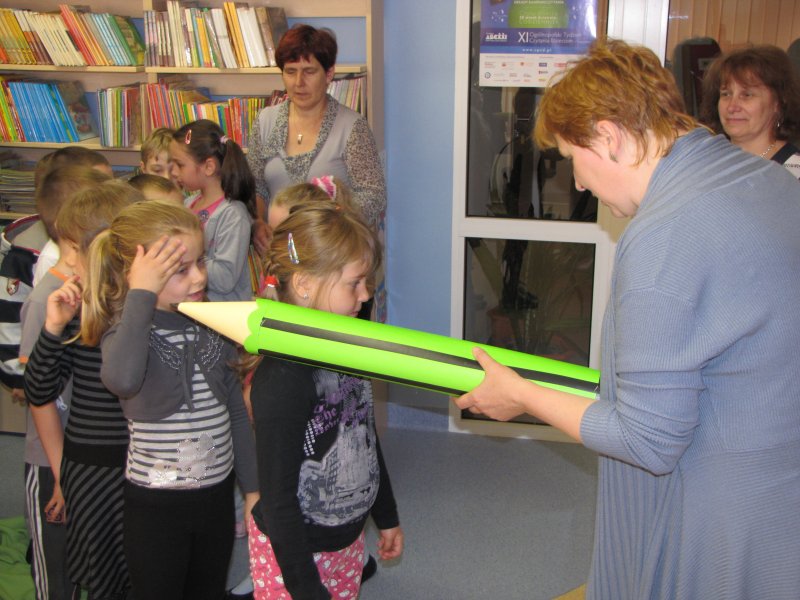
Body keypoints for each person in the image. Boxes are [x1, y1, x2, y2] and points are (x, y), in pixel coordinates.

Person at [455, 39, 800, 600]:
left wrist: (521, 396)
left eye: (573, 158)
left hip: (724, 515)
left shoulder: (664, 233)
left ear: (608, 137)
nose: (579, 183)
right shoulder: (763, 177)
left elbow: (648, 439)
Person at [78, 200, 258, 600]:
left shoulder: (212, 325)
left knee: (207, 590)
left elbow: (235, 413)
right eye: (180, 270)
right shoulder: (127, 332)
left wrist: (253, 488)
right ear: (139, 275)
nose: (199, 276)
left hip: (215, 498)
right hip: (155, 507)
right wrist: (141, 294)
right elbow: (122, 380)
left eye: (200, 261)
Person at [248, 202, 403, 599]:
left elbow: (364, 438)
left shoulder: (346, 351)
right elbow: (278, 500)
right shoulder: (282, 378)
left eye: (367, 281)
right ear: (304, 285)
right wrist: (305, 589)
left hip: (346, 543)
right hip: (294, 558)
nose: (365, 295)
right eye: (354, 283)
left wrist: (386, 515)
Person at [23, 179, 143, 600]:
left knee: (142, 572)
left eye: (74, 250)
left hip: (143, 471)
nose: (66, 262)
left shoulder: (145, 312)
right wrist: (53, 329)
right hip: (91, 473)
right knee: (102, 580)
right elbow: (39, 389)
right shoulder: (76, 310)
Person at [19, 166, 112, 600]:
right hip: (51, 459)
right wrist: (62, 476)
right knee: (57, 572)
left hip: (83, 462)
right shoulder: (50, 300)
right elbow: (40, 398)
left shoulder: (97, 299)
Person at [246, 24, 386, 253]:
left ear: (329, 74)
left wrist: (330, 216)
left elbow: (374, 196)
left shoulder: (352, 127)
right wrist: (258, 223)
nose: (298, 82)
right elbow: (256, 186)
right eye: (290, 71)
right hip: (280, 253)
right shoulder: (264, 121)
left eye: (309, 71)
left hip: (333, 253)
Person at [170, 119, 256, 301]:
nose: (174, 172)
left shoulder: (233, 214)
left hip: (222, 313)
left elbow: (225, 278)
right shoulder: (188, 204)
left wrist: (182, 256)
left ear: (208, 167)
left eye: (180, 165)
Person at [700, 44, 800, 177]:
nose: (731, 107)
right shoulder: (704, 160)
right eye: (726, 94)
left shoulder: (794, 172)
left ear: (778, 103)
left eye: (747, 95)